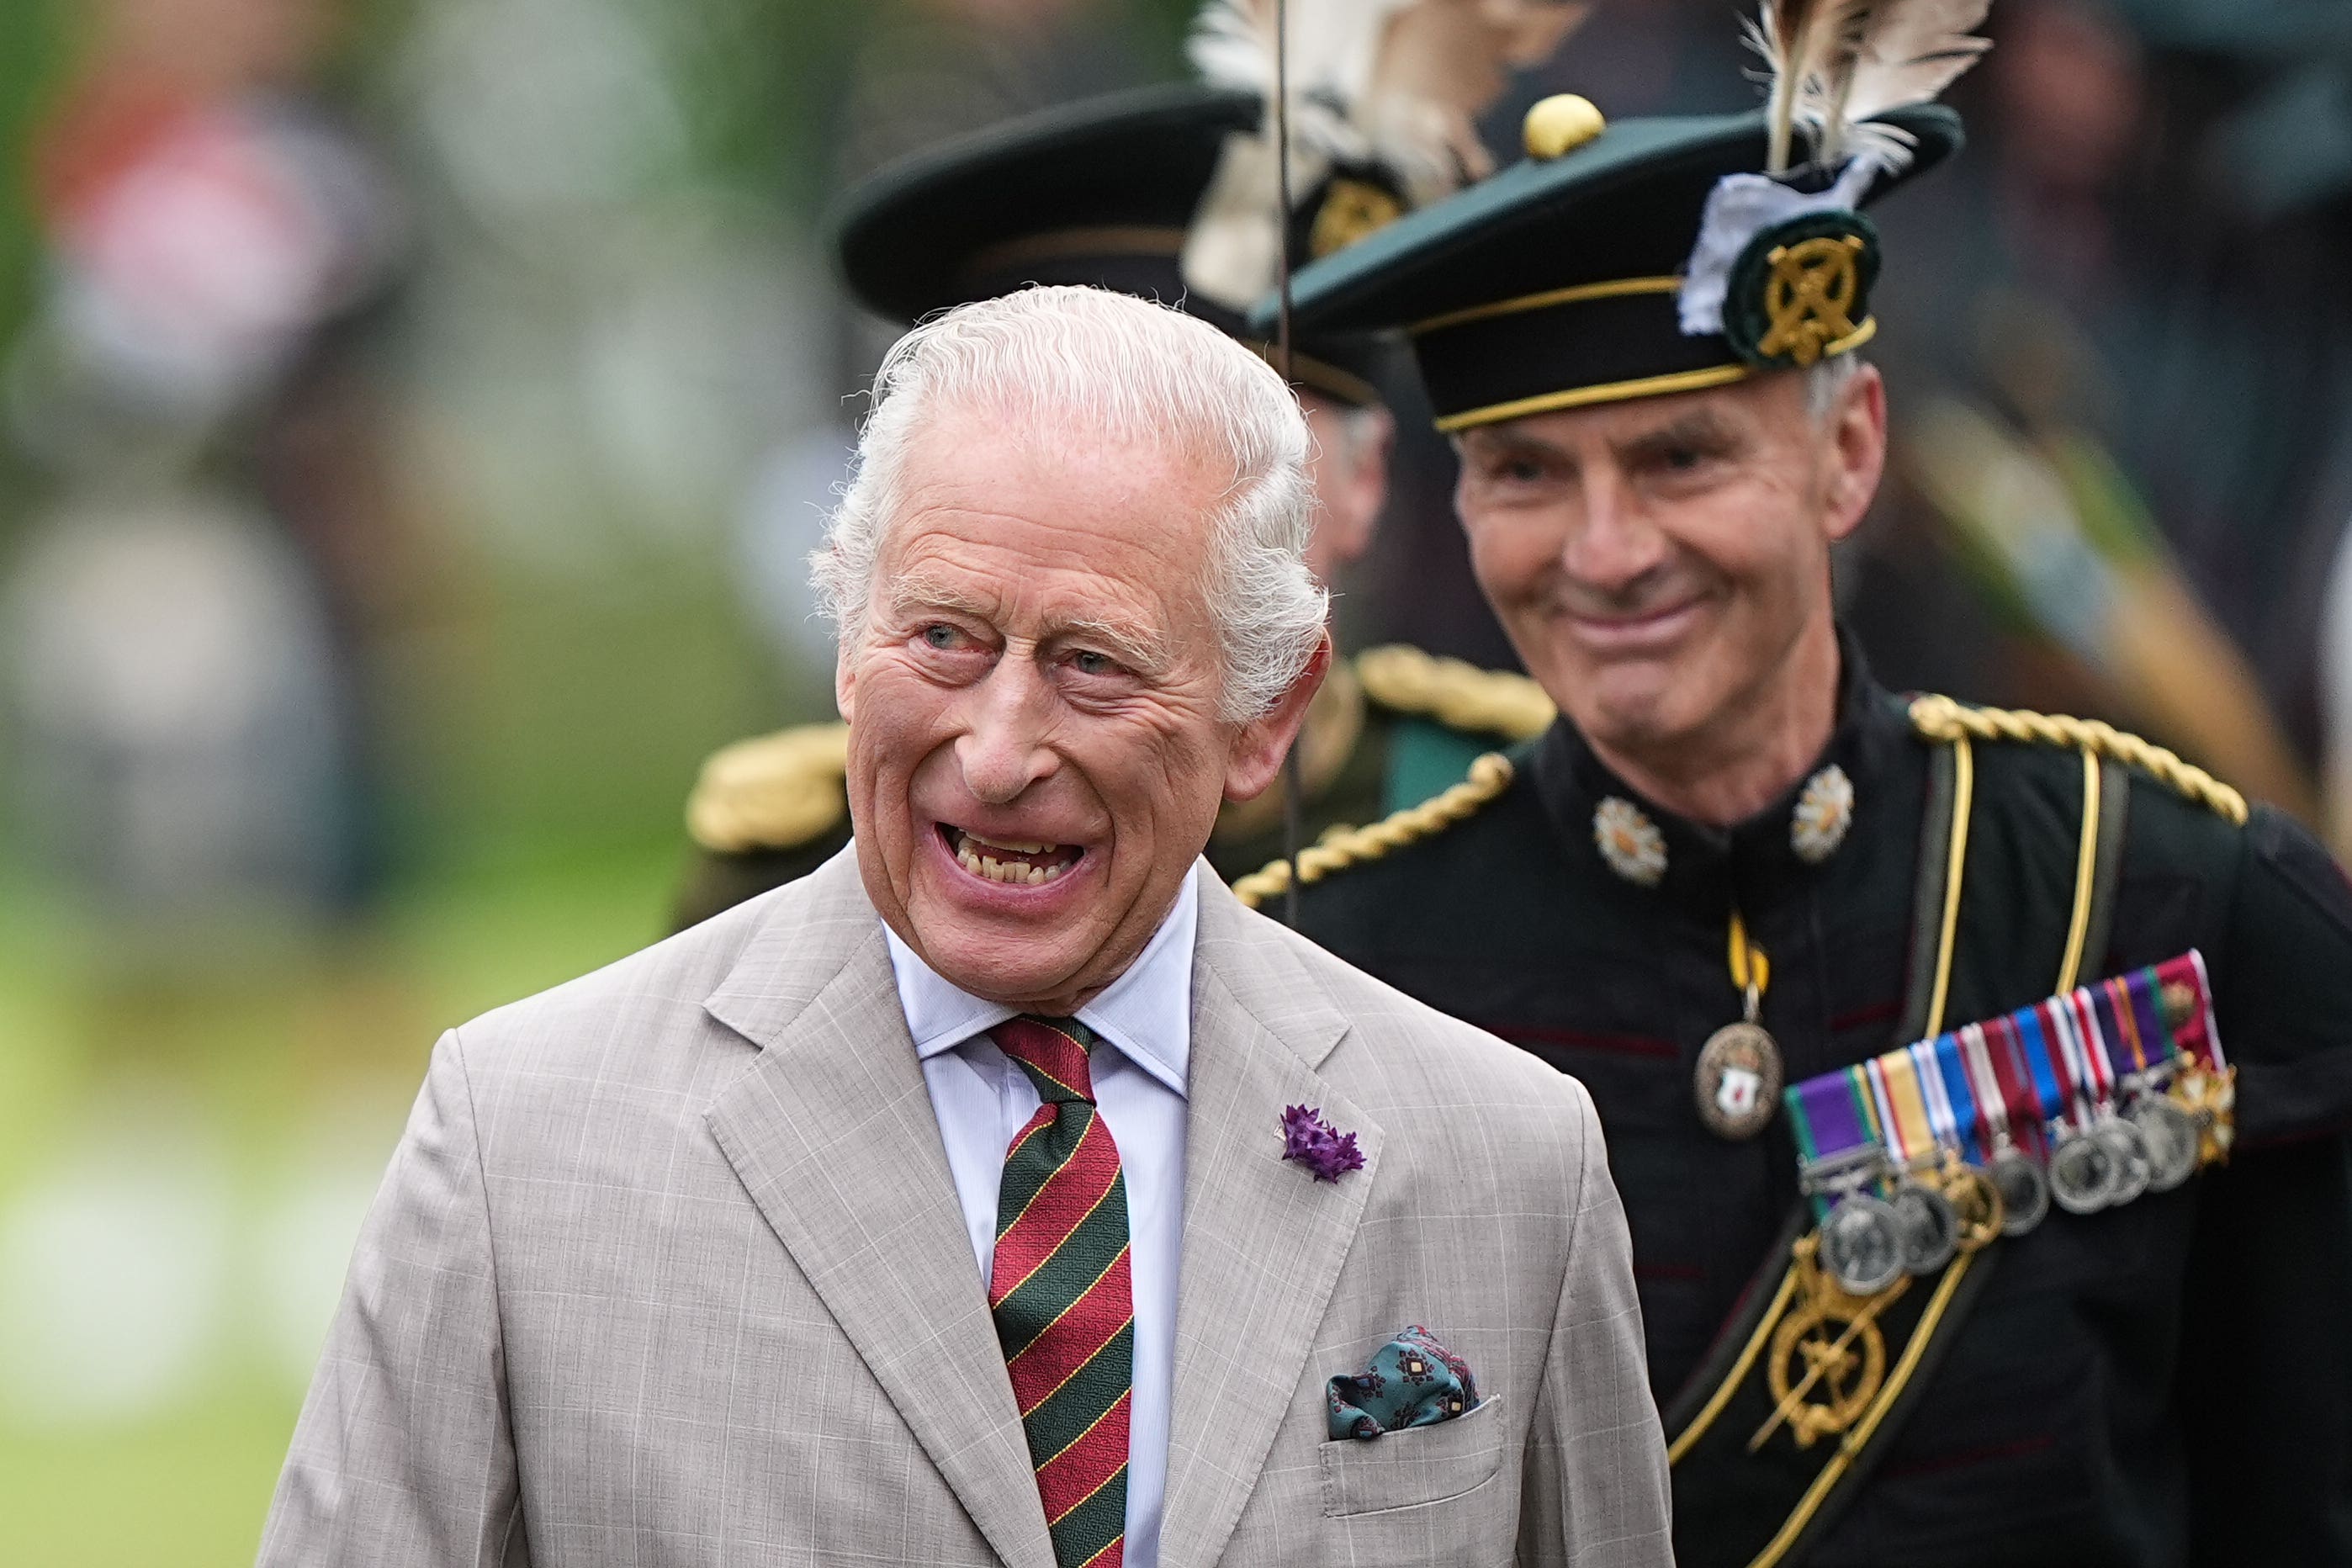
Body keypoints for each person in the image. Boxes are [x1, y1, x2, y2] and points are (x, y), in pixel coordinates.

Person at [257, 287, 1671, 1568]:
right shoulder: (524, 1144)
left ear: (1268, 714)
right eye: (941, 638)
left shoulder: (1506, 1160)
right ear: (843, 638)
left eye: (1091, 662)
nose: (997, 750)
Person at [1237, 16, 2352, 1566]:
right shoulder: (1311, 981)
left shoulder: (2173, 897)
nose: (1607, 548)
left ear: (1848, 458)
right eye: (1528, 474)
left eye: (1683, 458)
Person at [671, 0, 1588, 928]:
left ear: (1365, 481)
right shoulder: (811, 849)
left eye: (1249, 433)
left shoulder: (1529, 822)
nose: (1152, 498)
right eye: (1079, 434)